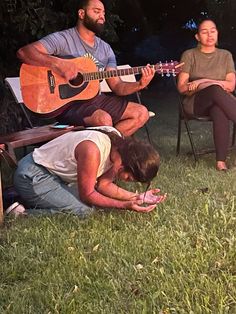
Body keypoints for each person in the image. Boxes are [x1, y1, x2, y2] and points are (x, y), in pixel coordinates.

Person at [16, 0, 155, 137]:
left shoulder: (105, 49)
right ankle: (104, 153)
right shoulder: (64, 39)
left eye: (104, 13)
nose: (102, 16)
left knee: (141, 113)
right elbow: (24, 53)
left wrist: (140, 84)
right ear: (81, 14)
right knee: (103, 119)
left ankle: (108, 152)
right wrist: (58, 64)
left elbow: (117, 86)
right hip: (68, 104)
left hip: (95, 100)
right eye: (96, 11)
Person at [13, 126, 167, 216]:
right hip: (34, 174)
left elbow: (103, 185)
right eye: (129, 178)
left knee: (93, 203)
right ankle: (21, 213)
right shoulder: (93, 150)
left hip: (53, 176)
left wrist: (136, 197)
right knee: (84, 210)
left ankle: (19, 196)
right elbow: (88, 194)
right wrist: (124, 205)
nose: (127, 180)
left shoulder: (118, 146)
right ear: (126, 164)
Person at [177, 19, 236, 171]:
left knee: (218, 107)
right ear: (197, 37)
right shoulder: (189, 55)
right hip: (196, 103)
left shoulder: (225, 55)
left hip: (222, 102)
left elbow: (231, 85)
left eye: (213, 30)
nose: (209, 35)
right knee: (216, 90)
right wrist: (208, 86)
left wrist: (204, 81)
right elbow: (182, 87)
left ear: (217, 33)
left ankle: (221, 162)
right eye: (204, 32)